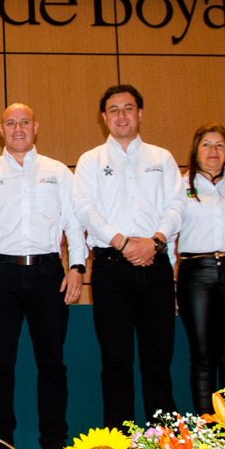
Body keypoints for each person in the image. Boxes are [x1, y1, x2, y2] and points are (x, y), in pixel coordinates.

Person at [0, 103, 87, 449]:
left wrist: (77, 266)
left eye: (25, 122)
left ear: (36, 127)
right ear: (1, 129)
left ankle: (55, 448)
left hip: (50, 273)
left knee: (53, 364)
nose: (18, 128)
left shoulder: (57, 172)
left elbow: (74, 224)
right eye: (11, 123)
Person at [73, 84, 182, 430]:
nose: (122, 115)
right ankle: (118, 442)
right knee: (115, 360)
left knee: (158, 360)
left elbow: (177, 207)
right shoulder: (91, 161)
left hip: (156, 263)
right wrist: (122, 242)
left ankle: (163, 445)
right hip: (110, 266)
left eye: (129, 108)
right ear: (104, 117)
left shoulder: (162, 159)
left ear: (140, 114)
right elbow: (85, 210)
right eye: (114, 110)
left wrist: (156, 241)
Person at [176, 123, 225, 415]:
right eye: (206, 144)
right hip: (196, 274)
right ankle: (208, 432)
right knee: (203, 357)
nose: (213, 151)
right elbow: (170, 236)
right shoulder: (181, 187)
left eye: (220, 145)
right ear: (195, 152)